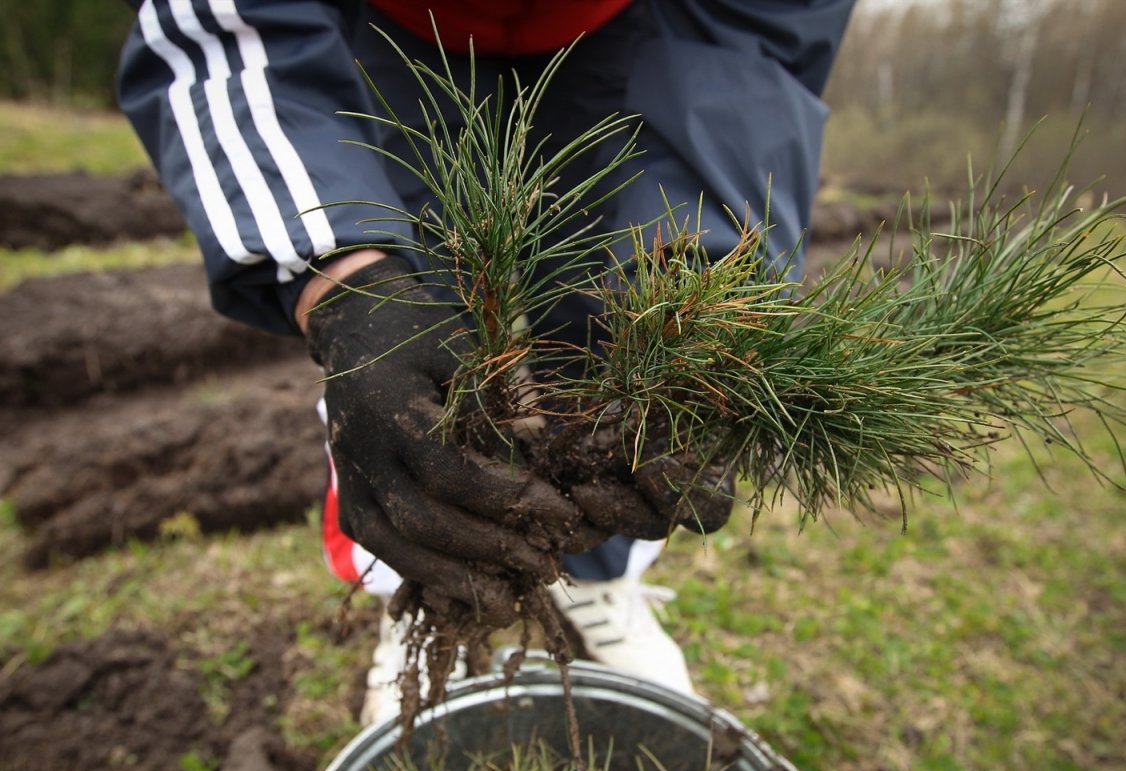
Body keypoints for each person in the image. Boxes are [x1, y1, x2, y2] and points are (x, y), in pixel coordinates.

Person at [117, 0, 854, 725]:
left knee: (618, 334)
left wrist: (700, 278)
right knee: (407, 357)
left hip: (630, 22)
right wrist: (342, 276)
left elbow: (754, 37)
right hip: (384, 20)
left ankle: (591, 580)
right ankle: (431, 596)